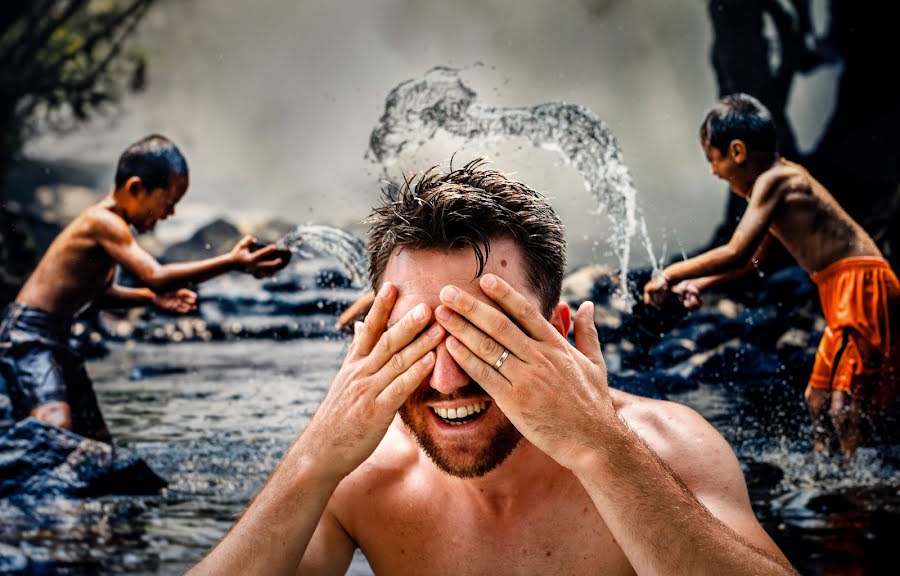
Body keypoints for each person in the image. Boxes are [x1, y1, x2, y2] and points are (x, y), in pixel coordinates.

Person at [191, 159, 796, 575]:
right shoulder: (356, 476)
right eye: (419, 335)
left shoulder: (671, 450)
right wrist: (313, 457)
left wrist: (600, 448)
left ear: (558, 332)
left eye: (485, 336)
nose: (447, 379)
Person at [643, 93, 899, 462]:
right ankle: (827, 471)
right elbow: (752, 263)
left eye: (712, 159)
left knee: (846, 403)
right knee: (817, 399)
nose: (714, 171)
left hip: (861, 286)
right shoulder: (775, 186)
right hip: (842, 288)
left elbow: (736, 251)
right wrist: (698, 284)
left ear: (737, 151)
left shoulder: (776, 180)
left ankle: (853, 489)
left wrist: (668, 274)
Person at [0, 134, 288, 442]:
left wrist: (150, 300)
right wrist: (231, 262)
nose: (169, 214)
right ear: (136, 188)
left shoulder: (110, 228)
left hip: (53, 336)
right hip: (28, 336)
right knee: (55, 425)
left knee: (96, 442)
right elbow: (156, 274)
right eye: (168, 203)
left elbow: (101, 294)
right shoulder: (103, 222)